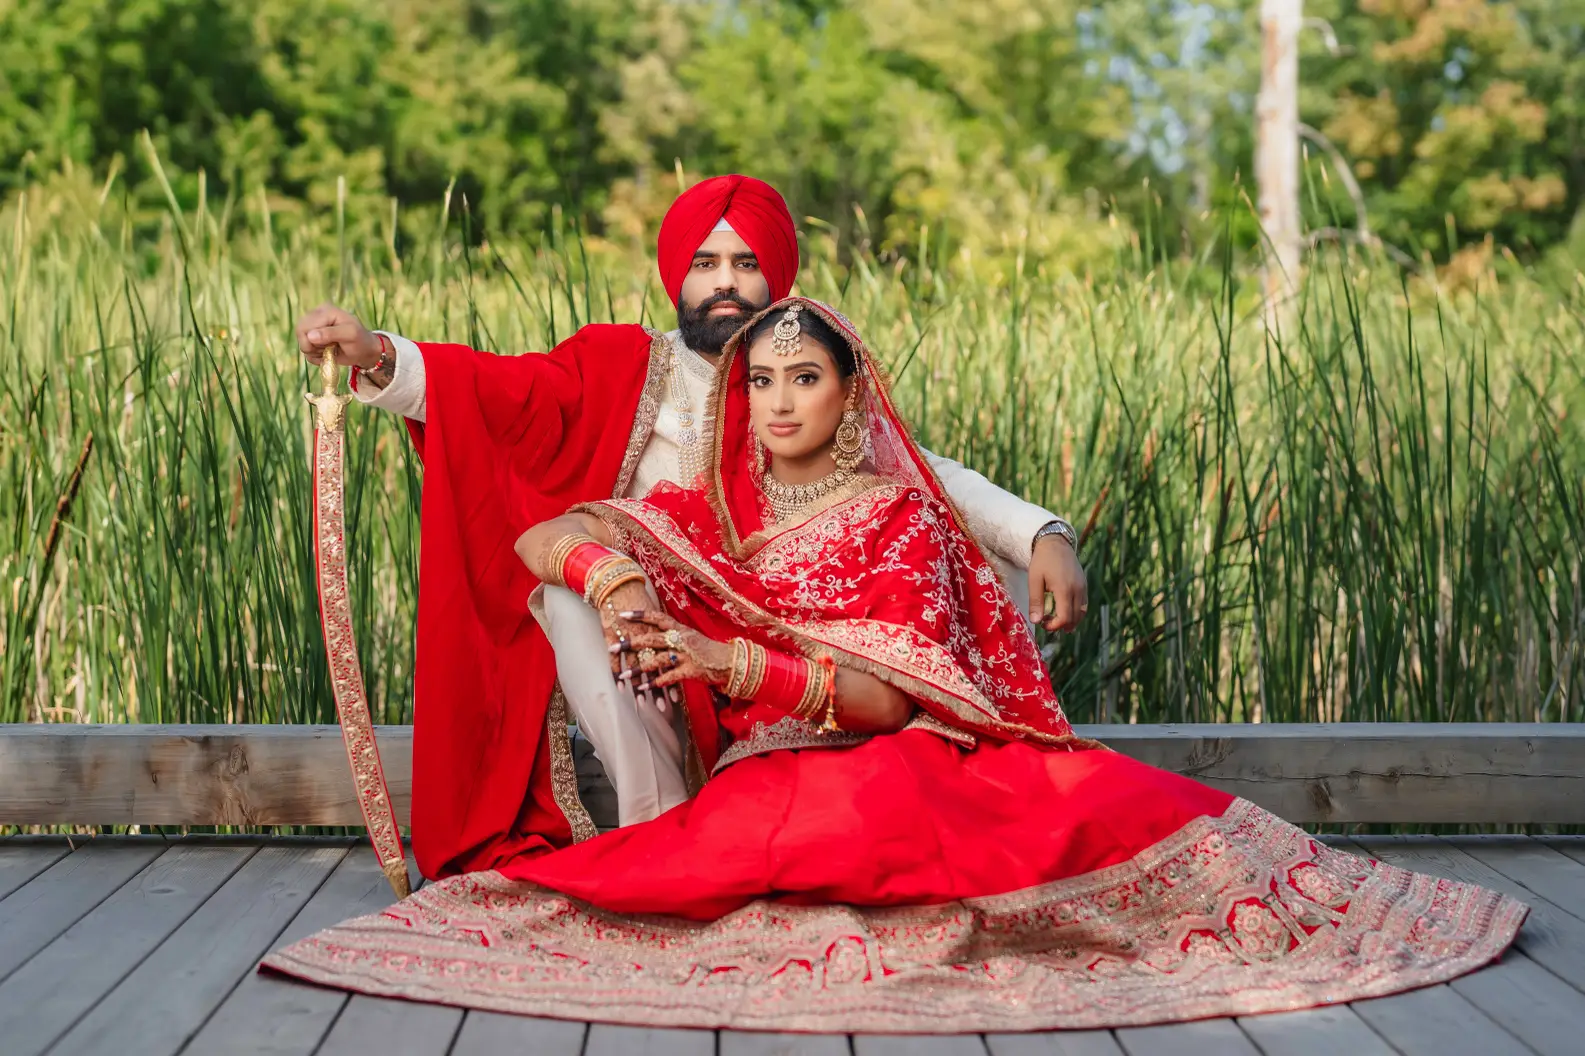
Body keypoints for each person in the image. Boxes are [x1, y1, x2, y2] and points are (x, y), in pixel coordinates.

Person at [265, 298, 1526, 1032]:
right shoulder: (713, 505)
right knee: (725, 852)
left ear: (850, 390)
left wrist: (725, 657)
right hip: (764, 768)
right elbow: (546, 532)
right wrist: (628, 575)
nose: (773, 402)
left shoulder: (898, 512)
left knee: (1026, 819)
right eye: (758, 383)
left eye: (801, 379)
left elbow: (883, 694)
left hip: (892, 752)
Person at [293, 176, 1089, 879]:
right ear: (678, 276)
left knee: (964, 561)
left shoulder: (799, 373)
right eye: (706, 264)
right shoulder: (619, 367)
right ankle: (658, 828)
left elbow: (918, 472)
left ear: (777, 277)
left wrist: (1042, 532)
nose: (725, 284)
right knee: (572, 596)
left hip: (788, 638)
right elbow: (494, 391)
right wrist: (374, 355)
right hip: (653, 622)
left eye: (745, 265)